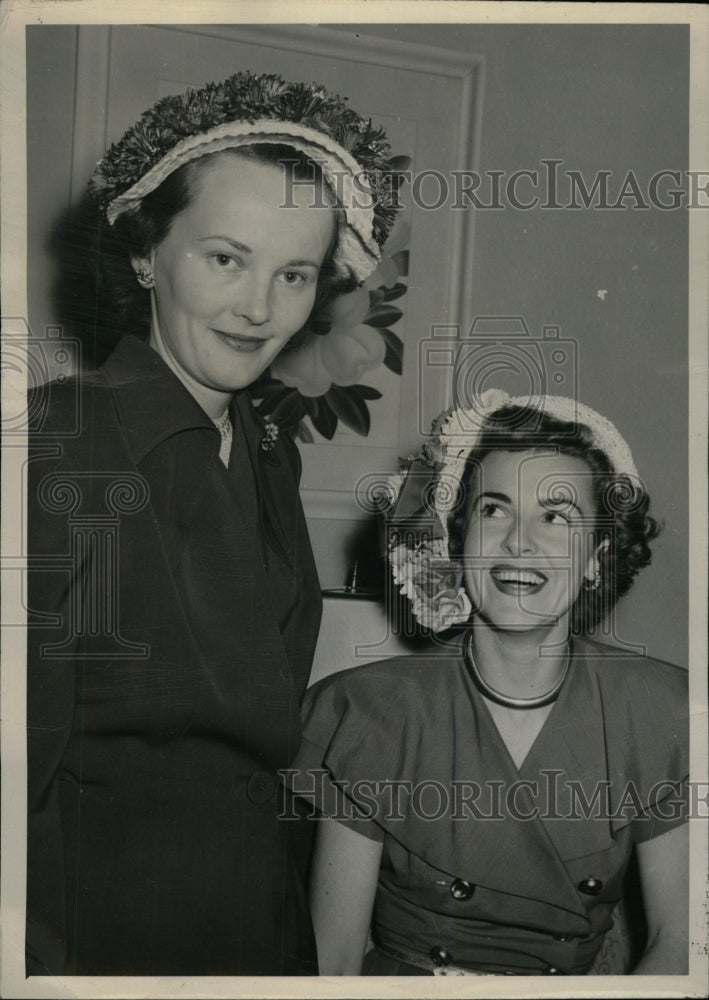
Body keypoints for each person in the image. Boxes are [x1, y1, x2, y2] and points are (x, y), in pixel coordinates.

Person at [26, 71, 396, 976]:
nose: (259, 309)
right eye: (225, 258)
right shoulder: (58, 443)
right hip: (97, 928)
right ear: (149, 253)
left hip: (256, 912)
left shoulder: (270, 453)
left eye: (294, 274)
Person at [289, 389, 689, 976]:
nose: (519, 541)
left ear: (596, 557)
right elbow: (335, 960)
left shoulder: (659, 711)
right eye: (494, 510)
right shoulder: (370, 709)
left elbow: (680, 943)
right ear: (457, 540)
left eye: (556, 516)